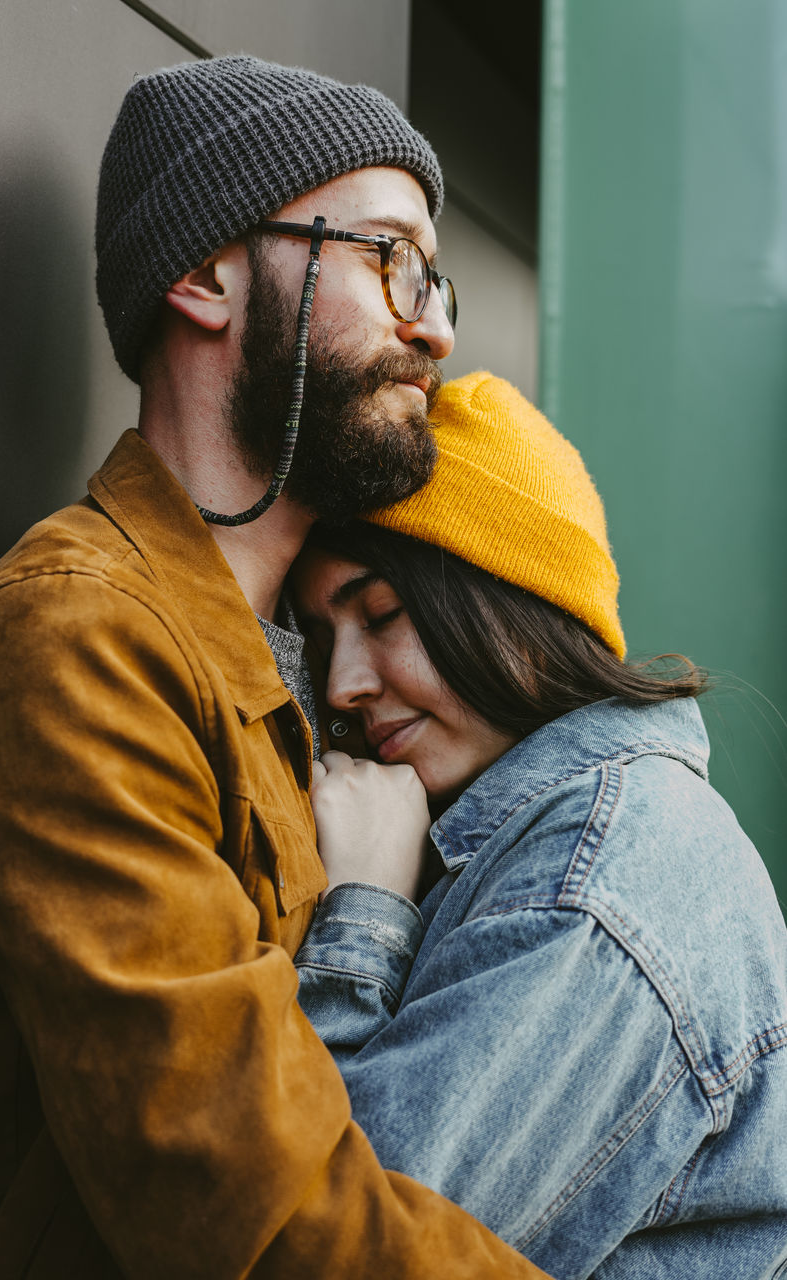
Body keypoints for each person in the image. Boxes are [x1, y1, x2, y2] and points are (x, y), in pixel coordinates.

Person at [0, 61, 550, 1280]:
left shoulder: (340, 664)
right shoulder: (78, 638)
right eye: (388, 257)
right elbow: (252, 1214)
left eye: (436, 278)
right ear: (206, 274)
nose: (431, 323)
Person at [293, 371, 787, 1280]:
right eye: (324, 644)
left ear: (517, 610)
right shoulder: (541, 839)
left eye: (382, 615)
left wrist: (360, 912)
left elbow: (334, 1247)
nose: (341, 687)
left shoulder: (594, 898)